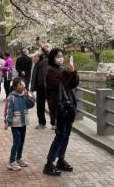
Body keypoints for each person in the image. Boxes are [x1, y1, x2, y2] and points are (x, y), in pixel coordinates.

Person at [43, 48, 79, 176]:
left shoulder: (61, 70)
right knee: (60, 135)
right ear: (53, 57)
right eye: (58, 56)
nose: (61, 58)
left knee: (66, 135)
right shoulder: (50, 72)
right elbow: (60, 84)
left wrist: (73, 72)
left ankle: (61, 160)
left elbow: (72, 84)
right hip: (59, 108)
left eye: (62, 56)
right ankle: (49, 163)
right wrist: (67, 73)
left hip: (68, 107)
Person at [4, 77, 35, 171]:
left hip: (23, 122)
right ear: (14, 86)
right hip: (15, 123)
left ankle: (19, 158)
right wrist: (7, 122)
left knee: (21, 141)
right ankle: (12, 161)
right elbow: (8, 110)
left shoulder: (24, 96)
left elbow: (31, 105)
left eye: (23, 84)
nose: (22, 86)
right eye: (20, 84)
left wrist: (28, 96)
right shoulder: (11, 97)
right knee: (16, 142)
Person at [30, 53, 47, 129]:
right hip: (41, 87)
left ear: (38, 57)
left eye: (34, 57)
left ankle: (43, 123)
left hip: (42, 87)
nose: (33, 59)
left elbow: (40, 78)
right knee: (40, 106)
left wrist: (34, 87)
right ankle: (43, 122)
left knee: (41, 105)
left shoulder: (41, 64)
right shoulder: (37, 64)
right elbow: (34, 77)